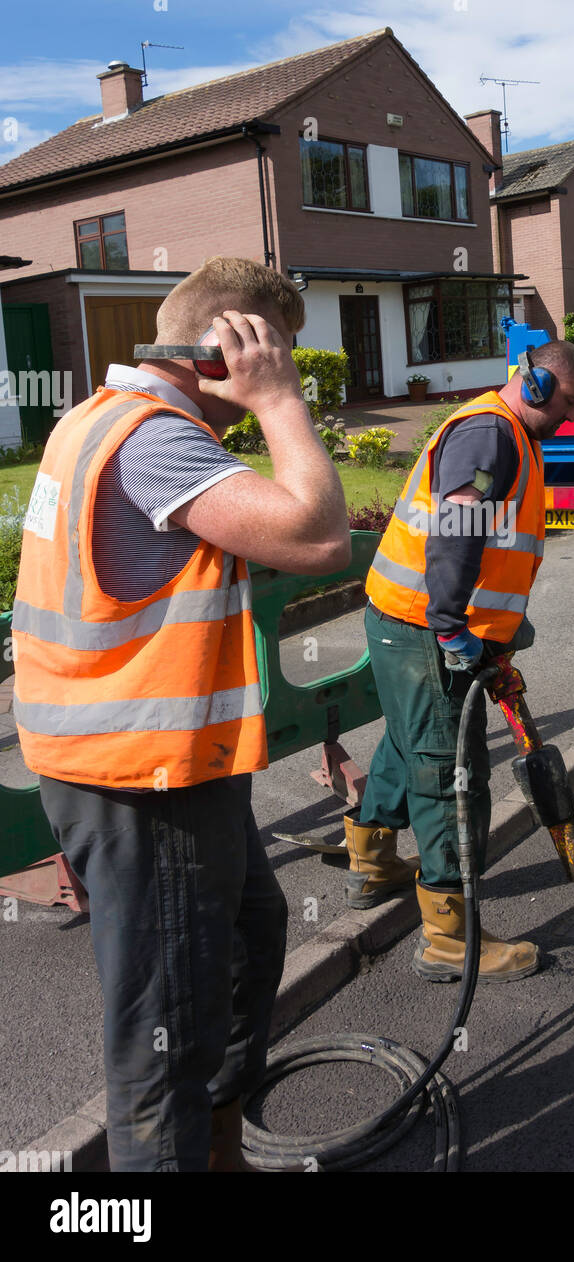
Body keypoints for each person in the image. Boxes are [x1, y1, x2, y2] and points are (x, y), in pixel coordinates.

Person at [12, 256, 350, 1172]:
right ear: (233, 345)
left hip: (165, 763)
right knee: (168, 1029)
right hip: (139, 775)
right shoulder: (154, 439)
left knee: (247, 939)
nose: (276, 370)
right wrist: (281, 402)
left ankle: (219, 1153)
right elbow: (317, 533)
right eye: (277, 348)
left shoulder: (94, 418)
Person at [344, 339, 574, 981]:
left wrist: (497, 637)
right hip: (427, 624)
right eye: (567, 403)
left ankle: (372, 862)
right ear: (536, 384)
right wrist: (454, 629)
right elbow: (456, 533)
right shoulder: (491, 436)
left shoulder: (510, 435)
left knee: (411, 744)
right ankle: (450, 939)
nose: (570, 418)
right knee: (449, 770)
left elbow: (494, 546)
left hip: (416, 620)